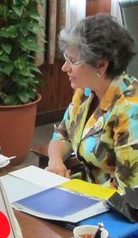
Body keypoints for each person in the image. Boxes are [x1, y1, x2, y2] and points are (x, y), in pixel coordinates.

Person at [45, 13, 138, 191]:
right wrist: (56, 162)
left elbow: (127, 190)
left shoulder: (131, 110)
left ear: (101, 65)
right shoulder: (86, 91)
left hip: (115, 206)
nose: (65, 68)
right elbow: (63, 134)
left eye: (72, 61)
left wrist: (72, 190)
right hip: (84, 191)